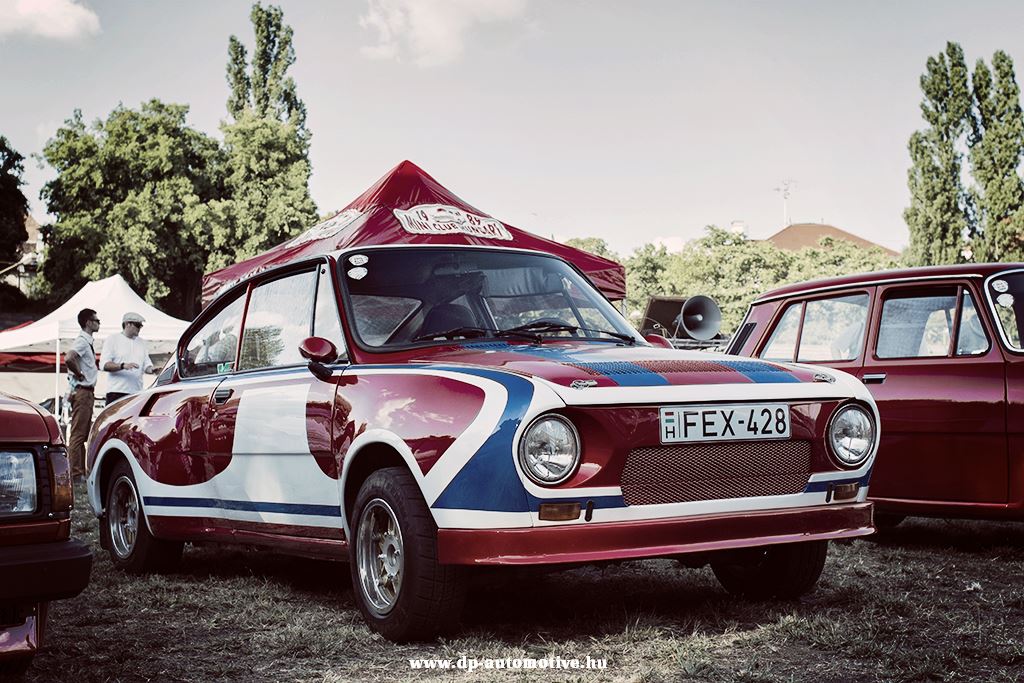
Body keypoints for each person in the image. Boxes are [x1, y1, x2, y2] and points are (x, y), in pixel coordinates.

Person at [64, 308, 100, 480]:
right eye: (96, 320)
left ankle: (80, 472)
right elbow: (69, 357)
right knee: (78, 434)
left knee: (82, 433)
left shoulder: (87, 342)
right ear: (88, 322)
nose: (98, 323)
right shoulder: (82, 342)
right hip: (83, 391)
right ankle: (75, 473)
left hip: (85, 392)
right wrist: (78, 373)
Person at [101, 312, 156, 405]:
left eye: (141, 326)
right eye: (138, 325)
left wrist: (153, 369)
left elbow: (146, 364)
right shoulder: (113, 339)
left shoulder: (142, 342)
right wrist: (123, 366)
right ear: (127, 324)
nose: (140, 328)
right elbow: (104, 365)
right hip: (117, 391)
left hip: (136, 392)